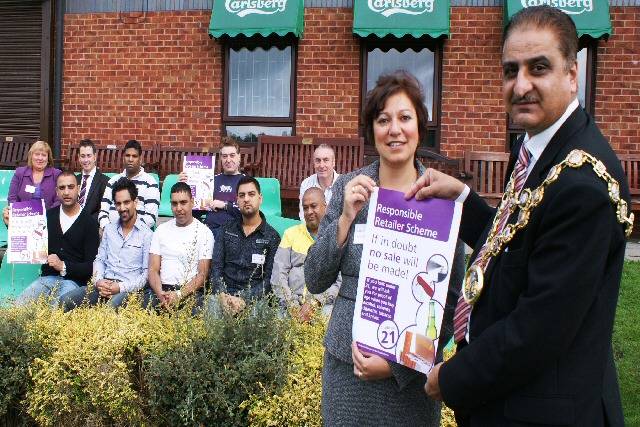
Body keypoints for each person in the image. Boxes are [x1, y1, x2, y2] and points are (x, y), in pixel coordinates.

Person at [418, 7, 629, 427]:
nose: (521, 85)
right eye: (510, 70)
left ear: (573, 74)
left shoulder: (582, 183)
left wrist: (454, 377)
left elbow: (539, 331)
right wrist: (462, 197)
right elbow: (518, 241)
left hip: (541, 409)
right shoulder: (537, 146)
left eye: (539, 68)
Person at [304, 71, 465, 426]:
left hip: (409, 383)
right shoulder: (349, 187)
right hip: (349, 372)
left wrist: (397, 365)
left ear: (419, 128)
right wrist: (345, 218)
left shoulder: (440, 198)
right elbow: (315, 278)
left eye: (404, 118)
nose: (394, 129)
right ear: (371, 131)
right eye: (383, 120)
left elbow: (451, 303)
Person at [60, 177, 153, 310]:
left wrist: (119, 287)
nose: (122, 208)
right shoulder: (109, 230)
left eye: (126, 202)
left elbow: (146, 276)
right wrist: (98, 281)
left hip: (128, 291)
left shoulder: (147, 235)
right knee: (65, 301)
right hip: (103, 285)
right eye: (118, 203)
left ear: (135, 202)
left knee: (108, 311)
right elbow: (100, 260)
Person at [15, 171, 99, 305]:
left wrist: (63, 266)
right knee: (19, 306)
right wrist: (11, 224)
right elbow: (28, 243)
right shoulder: (47, 216)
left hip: (74, 283)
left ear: (78, 189)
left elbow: (92, 267)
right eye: (62, 188)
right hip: (47, 279)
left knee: (56, 311)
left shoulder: (90, 223)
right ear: (56, 191)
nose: (66, 192)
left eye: (70, 187)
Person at [209, 176, 280, 313]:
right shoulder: (225, 230)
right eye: (242, 195)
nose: (246, 199)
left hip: (255, 299)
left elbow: (270, 280)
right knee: (212, 308)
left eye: (251, 194)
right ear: (237, 200)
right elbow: (216, 269)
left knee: (258, 315)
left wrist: (244, 299)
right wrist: (223, 296)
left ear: (260, 198)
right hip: (224, 295)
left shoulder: (272, 237)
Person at [271, 187, 340, 320]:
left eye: (314, 206)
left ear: (326, 206)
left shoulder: (336, 236)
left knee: (328, 320)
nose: (309, 212)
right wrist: (291, 305)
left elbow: (339, 281)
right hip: (290, 303)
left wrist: (315, 303)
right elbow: (278, 274)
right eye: (305, 208)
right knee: (279, 323)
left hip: (323, 304)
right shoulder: (290, 234)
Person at [143, 182, 213, 311]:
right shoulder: (161, 230)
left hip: (189, 292)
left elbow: (203, 274)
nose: (178, 208)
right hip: (161, 290)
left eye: (183, 202)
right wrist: (161, 295)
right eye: (174, 203)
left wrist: (179, 295)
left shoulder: (205, 233)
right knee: (142, 306)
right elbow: (153, 270)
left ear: (192, 202)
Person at [178, 137, 244, 241]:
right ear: (221, 159)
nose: (228, 160)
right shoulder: (211, 181)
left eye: (232, 155)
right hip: (209, 231)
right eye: (224, 156)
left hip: (233, 233)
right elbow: (196, 210)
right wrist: (185, 186)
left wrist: (225, 205)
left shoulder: (246, 182)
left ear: (239, 157)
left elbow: (248, 212)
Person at [98, 139, 159, 232]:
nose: (130, 159)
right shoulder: (113, 181)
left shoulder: (150, 183)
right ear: (123, 157)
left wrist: (129, 231)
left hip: (138, 233)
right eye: (127, 155)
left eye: (134, 156)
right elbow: (103, 211)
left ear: (140, 159)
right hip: (111, 232)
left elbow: (151, 217)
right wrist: (108, 229)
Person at [3, 140, 61, 224]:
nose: (40, 158)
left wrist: (45, 216)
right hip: (23, 220)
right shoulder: (19, 173)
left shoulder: (56, 174)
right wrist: (22, 216)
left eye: (44, 155)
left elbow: (59, 200)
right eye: (37, 154)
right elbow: (12, 198)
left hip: (49, 220)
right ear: (31, 156)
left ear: (48, 158)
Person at [298, 144, 340, 221]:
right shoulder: (306, 184)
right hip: (312, 230)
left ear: (333, 163)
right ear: (314, 163)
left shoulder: (343, 184)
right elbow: (303, 216)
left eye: (326, 160)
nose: (321, 165)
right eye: (318, 160)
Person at [76, 138, 109, 221]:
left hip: (92, 225)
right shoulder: (75, 180)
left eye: (89, 156)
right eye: (83, 156)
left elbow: (104, 209)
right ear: (79, 158)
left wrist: (84, 221)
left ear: (95, 157)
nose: (86, 160)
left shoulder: (105, 182)